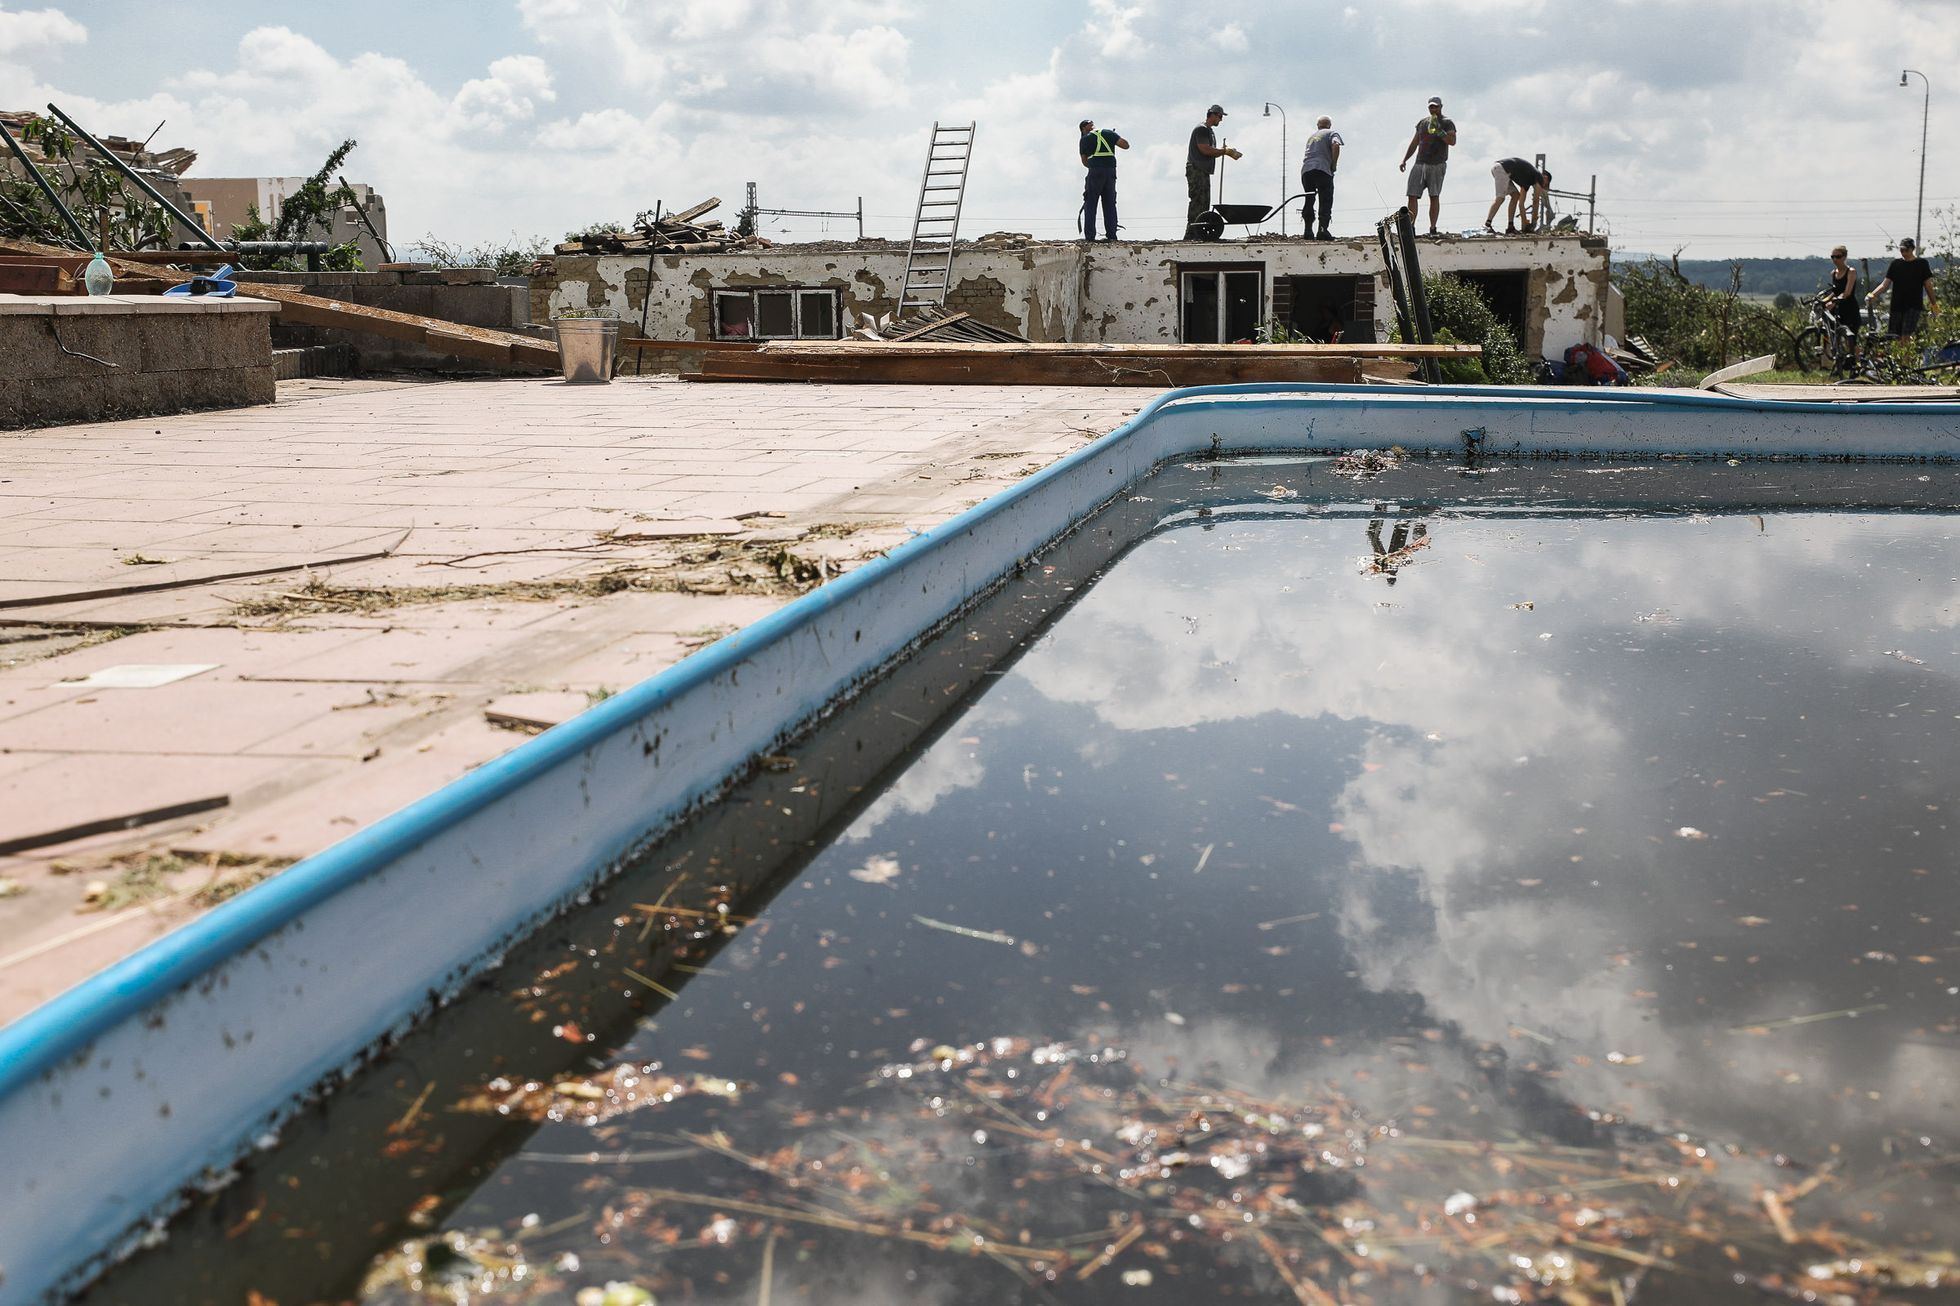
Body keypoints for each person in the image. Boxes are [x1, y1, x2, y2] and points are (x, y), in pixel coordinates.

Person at [1399, 96, 1457, 235]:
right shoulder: (1422, 123)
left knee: (1434, 196)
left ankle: (1432, 228)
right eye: (1431, 107)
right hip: (1420, 162)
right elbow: (1415, 142)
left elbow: (1452, 141)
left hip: (1437, 163)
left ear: (1441, 107)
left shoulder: (1447, 122)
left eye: (1435, 106)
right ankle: (1410, 228)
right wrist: (1405, 159)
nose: (1433, 109)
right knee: (1412, 195)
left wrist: (1439, 131)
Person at [1186, 104, 1242, 239]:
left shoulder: (1209, 131)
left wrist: (1223, 151)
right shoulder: (1202, 129)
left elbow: (1209, 150)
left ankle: (1198, 232)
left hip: (1202, 170)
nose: (1221, 120)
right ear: (1213, 115)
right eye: (1220, 116)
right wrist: (1224, 152)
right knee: (1198, 201)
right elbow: (1204, 149)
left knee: (1204, 202)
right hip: (1196, 169)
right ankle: (1192, 233)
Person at [1867, 236, 1939, 337]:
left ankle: (1906, 353)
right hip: (1896, 305)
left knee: (1906, 335)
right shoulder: (1896, 264)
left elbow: (1928, 286)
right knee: (1893, 336)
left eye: (1906, 250)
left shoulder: (1922, 264)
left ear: (1912, 249)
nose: (1904, 252)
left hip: (1913, 306)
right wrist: (1872, 295)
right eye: (1901, 250)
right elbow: (1885, 284)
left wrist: (1934, 305)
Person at [1077, 117, 1129, 242]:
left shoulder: (1085, 138)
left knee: (1090, 203)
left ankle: (1090, 237)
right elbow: (1126, 145)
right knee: (1110, 203)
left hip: (1095, 171)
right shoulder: (1108, 133)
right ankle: (1111, 235)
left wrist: (1095, 165)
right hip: (1110, 171)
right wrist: (1112, 140)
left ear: (1084, 128)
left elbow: (1084, 161)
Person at [1299, 116, 1341, 240]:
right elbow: (1336, 145)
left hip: (1306, 170)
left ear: (1318, 125)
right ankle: (1322, 230)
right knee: (1325, 199)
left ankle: (1307, 231)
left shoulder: (1312, 137)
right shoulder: (1332, 133)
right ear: (1329, 125)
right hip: (1322, 169)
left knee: (1309, 199)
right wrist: (1333, 164)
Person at [1484, 157, 1550, 235]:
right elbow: (1535, 201)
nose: (1541, 189)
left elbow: (1521, 204)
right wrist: (1534, 222)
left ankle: (1510, 227)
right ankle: (1487, 225)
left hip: (1502, 169)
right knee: (1500, 198)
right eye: (1545, 185)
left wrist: (1524, 223)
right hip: (1502, 169)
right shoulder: (1539, 177)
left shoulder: (1527, 181)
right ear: (1545, 178)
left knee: (1516, 196)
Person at [1827, 245, 1860, 362]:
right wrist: (1825, 301)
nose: (1835, 259)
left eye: (1838, 256)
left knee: (1850, 340)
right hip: (1837, 310)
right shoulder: (1833, 273)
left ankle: (1857, 363)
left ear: (1844, 257)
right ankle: (1838, 363)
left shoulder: (1851, 272)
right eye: (1833, 257)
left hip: (1850, 309)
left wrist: (1834, 302)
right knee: (1836, 338)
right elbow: (1834, 292)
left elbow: (1847, 292)